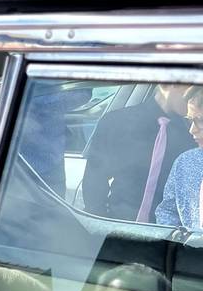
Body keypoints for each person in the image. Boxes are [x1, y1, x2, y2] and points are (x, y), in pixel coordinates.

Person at [82, 84, 195, 221]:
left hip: (169, 236)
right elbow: (94, 183)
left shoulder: (194, 136)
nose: (196, 95)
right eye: (195, 87)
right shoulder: (116, 122)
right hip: (117, 228)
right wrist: (102, 227)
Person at [155, 87, 203, 228]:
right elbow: (167, 211)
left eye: (200, 121)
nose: (192, 129)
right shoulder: (185, 162)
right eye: (189, 120)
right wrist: (175, 245)